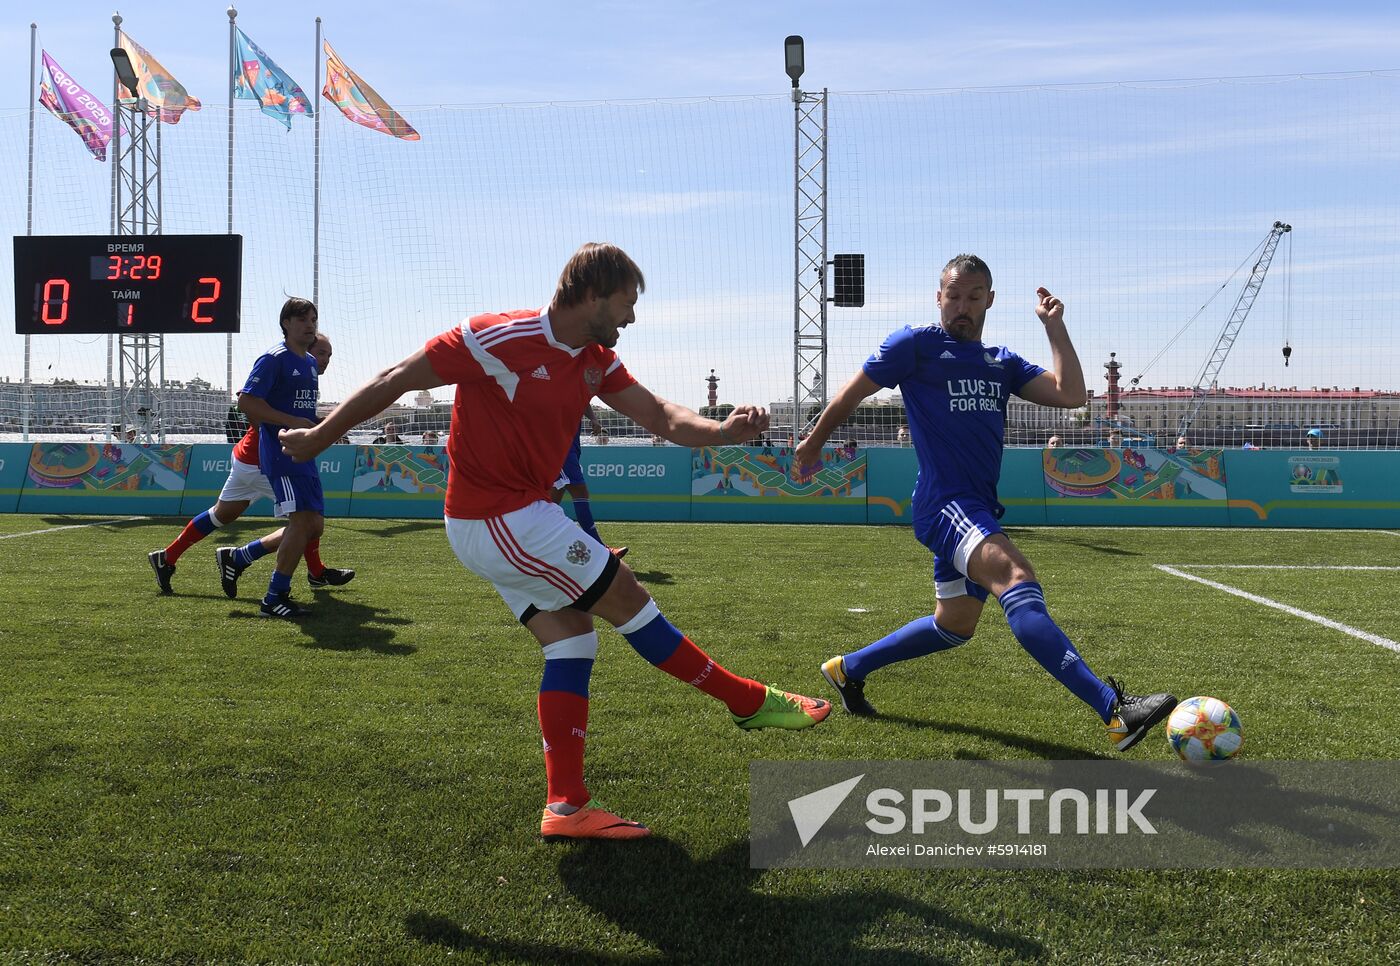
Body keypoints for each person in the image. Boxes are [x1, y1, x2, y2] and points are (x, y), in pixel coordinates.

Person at [280, 242, 829, 840]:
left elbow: (664, 417)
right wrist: (319, 436)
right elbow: (395, 378)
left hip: (515, 518)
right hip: (495, 518)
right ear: (591, 295)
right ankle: (746, 700)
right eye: (626, 303)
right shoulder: (497, 338)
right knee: (627, 597)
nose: (632, 318)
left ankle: (567, 807)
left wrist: (723, 430)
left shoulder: (593, 358)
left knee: (572, 644)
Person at [796, 253, 1174, 751]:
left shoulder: (1002, 363)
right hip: (944, 505)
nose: (962, 306)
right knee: (1016, 577)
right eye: (953, 295)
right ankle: (1113, 710)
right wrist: (812, 443)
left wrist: (1055, 328)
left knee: (954, 626)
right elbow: (849, 394)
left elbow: (1072, 394)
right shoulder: (914, 345)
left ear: (989, 301)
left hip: (976, 506)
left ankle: (848, 669)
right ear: (939, 296)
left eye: (973, 297)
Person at [148, 333, 354, 597]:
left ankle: (168, 557)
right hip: (266, 462)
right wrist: (290, 426)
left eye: (329, 354)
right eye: (321, 352)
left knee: (221, 514)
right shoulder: (281, 363)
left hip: (249, 458)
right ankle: (259, 562)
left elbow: (288, 414)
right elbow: (251, 405)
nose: (325, 359)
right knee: (308, 521)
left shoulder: (303, 377)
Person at [225, 297, 328, 618]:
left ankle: (240, 557)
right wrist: (293, 423)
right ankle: (274, 597)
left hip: (303, 452)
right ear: (286, 324)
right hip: (282, 453)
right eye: (302, 319)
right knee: (301, 522)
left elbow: (301, 411)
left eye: (313, 319)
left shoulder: (310, 363)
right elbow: (247, 403)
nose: (309, 325)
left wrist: (317, 425)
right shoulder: (273, 359)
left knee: (314, 525)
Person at [553, 404, 627, 559]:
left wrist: (593, 419)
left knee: (549, 503)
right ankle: (602, 550)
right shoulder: (550, 382)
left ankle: (525, 546)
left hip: (571, 444)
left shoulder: (575, 382)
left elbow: (582, 398)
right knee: (580, 491)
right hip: (558, 446)